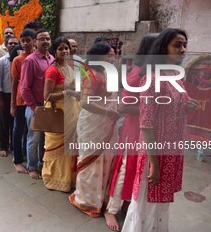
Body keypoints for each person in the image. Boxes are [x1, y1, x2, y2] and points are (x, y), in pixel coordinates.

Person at [122, 28, 199, 232]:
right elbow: (146, 125)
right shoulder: (153, 79)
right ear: (163, 48)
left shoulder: (175, 75)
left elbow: (171, 107)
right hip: (154, 153)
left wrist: (186, 105)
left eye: (184, 45)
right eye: (177, 44)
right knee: (147, 202)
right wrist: (154, 164)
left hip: (172, 148)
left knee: (161, 202)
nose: (182, 49)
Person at [104, 33, 159, 231]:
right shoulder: (137, 73)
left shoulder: (156, 73)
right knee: (126, 167)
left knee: (140, 170)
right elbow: (124, 107)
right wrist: (154, 111)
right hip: (135, 128)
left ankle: (129, 202)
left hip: (149, 129)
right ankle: (111, 208)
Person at [69, 42, 119, 217]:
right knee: (91, 161)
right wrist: (107, 112)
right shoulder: (92, 75)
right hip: (93, 123)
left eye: (113, 54)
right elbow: (84, 102)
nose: (113, 58)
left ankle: (99, 198)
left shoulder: (104, 73)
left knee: (104, 159)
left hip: (104, 123)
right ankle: (86, 200)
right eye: (109, 55)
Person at [42, 37, 80, 192]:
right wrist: (68, 92)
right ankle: (53, 178)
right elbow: (47, 96)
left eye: (66, 48)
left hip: (71, 113)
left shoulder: (69, 68)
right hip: (58, 114)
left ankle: (69, 179)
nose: (65, 51)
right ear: (55, 52)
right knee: (56, 148)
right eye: (61, 49)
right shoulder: (52, 70)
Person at [21, 29, 55, 179]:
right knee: (33, 139)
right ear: (35, 42)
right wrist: (35, 108)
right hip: (35, 107)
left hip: (48, 106)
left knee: (45, 139)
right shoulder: (30, 60)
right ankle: (32, 167)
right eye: (42, 39)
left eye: (47, 38)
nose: (46, 41)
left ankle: (42, 163)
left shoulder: (52, 58)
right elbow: (24, 88)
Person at [11, 29, 35, 173]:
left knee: (31, 131)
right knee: (18, 129)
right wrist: (12, 104)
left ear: (34, 41)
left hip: (35, 100)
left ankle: (30, 157)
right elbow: (14, 82)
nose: (26, 43)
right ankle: (17, 160)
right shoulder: (18, 60)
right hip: (21, 100)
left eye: (28, 40)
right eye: (23, 40)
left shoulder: (40, 57)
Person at [0, 37, 19, 157]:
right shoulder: (1, 61)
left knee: (17, 123)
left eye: (15, 43)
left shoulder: (21, 60)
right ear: (6, 45)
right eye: (10, 43)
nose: (13, 45)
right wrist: (0, 99)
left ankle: (15, 146)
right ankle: (3, 146)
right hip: (5, 95)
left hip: (18, 96)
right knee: (4, 122)